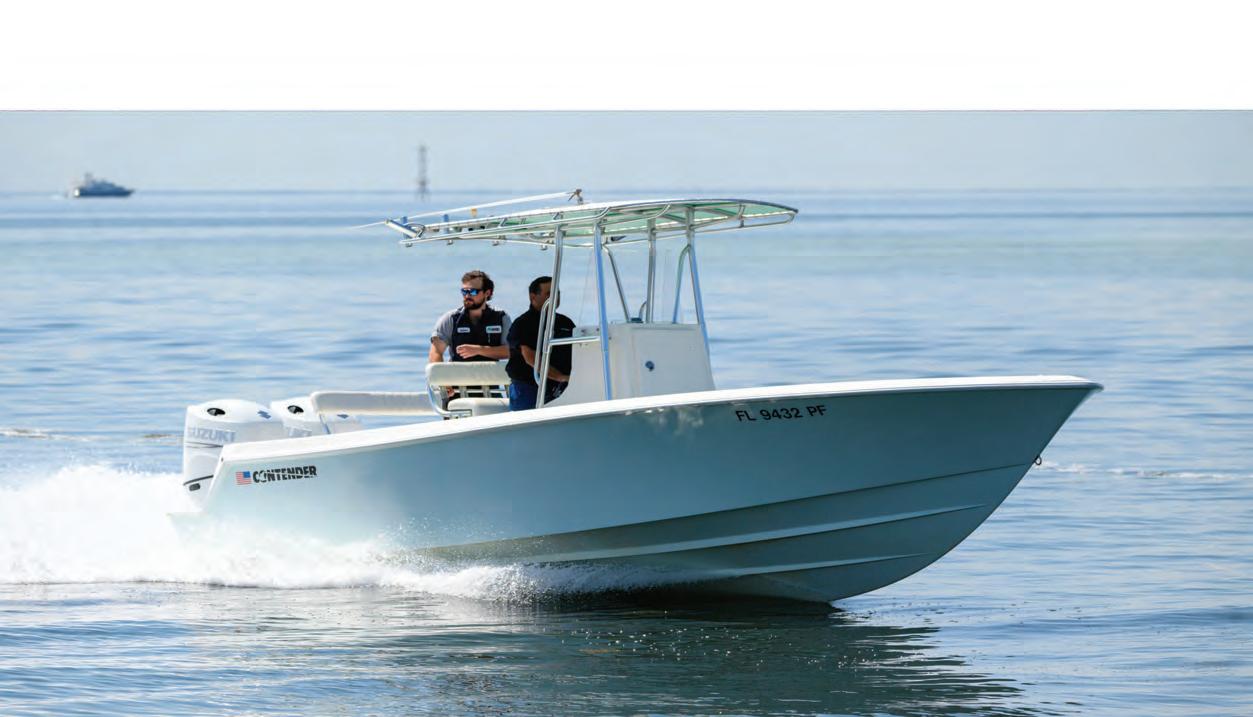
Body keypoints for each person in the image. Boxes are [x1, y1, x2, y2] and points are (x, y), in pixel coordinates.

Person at [506, 275, 575, 411]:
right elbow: (530, 358)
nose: (555, 297)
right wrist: (560, 377)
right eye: (549, 293)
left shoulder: (566, 323)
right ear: (533, 297)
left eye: (557, 293)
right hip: (528, 389)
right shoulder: (522, 324)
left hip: (561, 388)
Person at [429, 270, 512, 365]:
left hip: (490, 373)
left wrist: (479, 350)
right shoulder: (450, 319)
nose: (467, 296)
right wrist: (440, 373)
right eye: (464, 291)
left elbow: (510, 351)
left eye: (473, 291)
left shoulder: (501, 317)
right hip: (458, 373)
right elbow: (436, 352)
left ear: (487, 293)